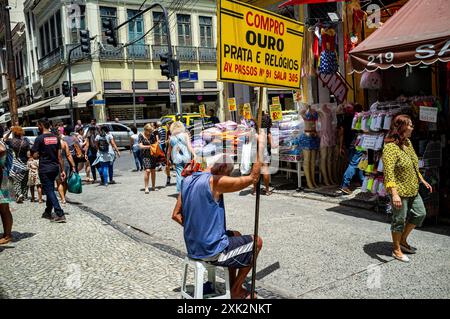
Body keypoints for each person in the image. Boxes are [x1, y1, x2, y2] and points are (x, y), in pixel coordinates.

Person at [172, 153, 263, 299]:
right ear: (221, 168)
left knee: (236, 234)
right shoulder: (214, 181)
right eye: (227, 175)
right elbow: (253, 178)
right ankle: (236, 290)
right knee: (256, 242)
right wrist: (261, 148)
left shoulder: (187, 180)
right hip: (210, 250)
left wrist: (197, 229)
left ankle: (232, 284)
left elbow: (175, 215)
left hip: (193, 247)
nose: (227, 178)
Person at [382, 115, 432, 262]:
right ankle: (396, 249)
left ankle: (403, 239)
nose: (412, 127)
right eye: (410, 125)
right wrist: (395, 194)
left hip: (412, 188)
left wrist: (422, 180)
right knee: (399, 219)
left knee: (420, 213)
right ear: (402, 128)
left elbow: (413, 163)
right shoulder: (390, 148)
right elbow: (388, 173)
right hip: (399, 191)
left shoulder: (408, 143)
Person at [31, 118, 69, 223]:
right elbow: (60, 156)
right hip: (55, 167)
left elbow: (34, 155)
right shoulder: (56, 138)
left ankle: (59, 213)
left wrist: (36, 154)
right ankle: (47, 211)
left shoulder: (39, 139)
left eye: (38, 125)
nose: (38, 127)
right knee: (50, 189)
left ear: (41, 125)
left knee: (49, 190)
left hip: (44, 168)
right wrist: (62, 170)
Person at [339, 104, 365, 195]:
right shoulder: (359, 118)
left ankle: (363, 182)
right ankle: (344, 185)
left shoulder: (345, 119)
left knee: (358, 163)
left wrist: (341, 146)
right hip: (358, 143)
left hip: (349, 144)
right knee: (354, 164)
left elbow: (341, 133)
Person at [167, 121, 195, 193]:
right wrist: (194, 154)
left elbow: (169, 151)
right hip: (186, 157)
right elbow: (189, 146)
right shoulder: (185, 135)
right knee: (188, 174)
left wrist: (167, 160)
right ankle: (188, 190)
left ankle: (180, 191)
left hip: (176, 158)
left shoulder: (171, 138)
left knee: (179, 175)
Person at [4, 126, 31, 203]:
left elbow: (4, 139)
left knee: (15, 179)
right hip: (25, 163)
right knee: (24, 180)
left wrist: (9, 131)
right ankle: (24, 195)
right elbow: (28, 154)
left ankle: (18, 194)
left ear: (14, 133)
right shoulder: (26, 142)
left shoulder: (12, 141)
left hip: (16, 163)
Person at [252, 112, 272, 195]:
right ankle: (267, 190)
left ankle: (254, 190)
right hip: (263, 152)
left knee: (255, 171)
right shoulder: (267, 133)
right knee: (265, 170)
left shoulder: (255, 131)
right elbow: (272, 145)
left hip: (255, 151)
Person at [0, 126, 13, 244]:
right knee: (4, 209)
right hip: (4, 177)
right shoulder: (3, 142)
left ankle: (8, 235)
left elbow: (1, 150)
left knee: (4, 209)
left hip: (2, 179)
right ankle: (7, 234)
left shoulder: (1, 144)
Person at [139, 123, 159, 193]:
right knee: (147, 170)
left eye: (151, 131)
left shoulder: (152, 135)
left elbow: (155, 143)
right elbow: (140, 146)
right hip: (145, 155)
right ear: (145, 130)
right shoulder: (141, 135)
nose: (150, 133)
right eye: (149, 131)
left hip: (152, 155)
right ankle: (146, 187)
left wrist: (156, 144)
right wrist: (149, 147)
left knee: (153, 170)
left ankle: (153, 186)